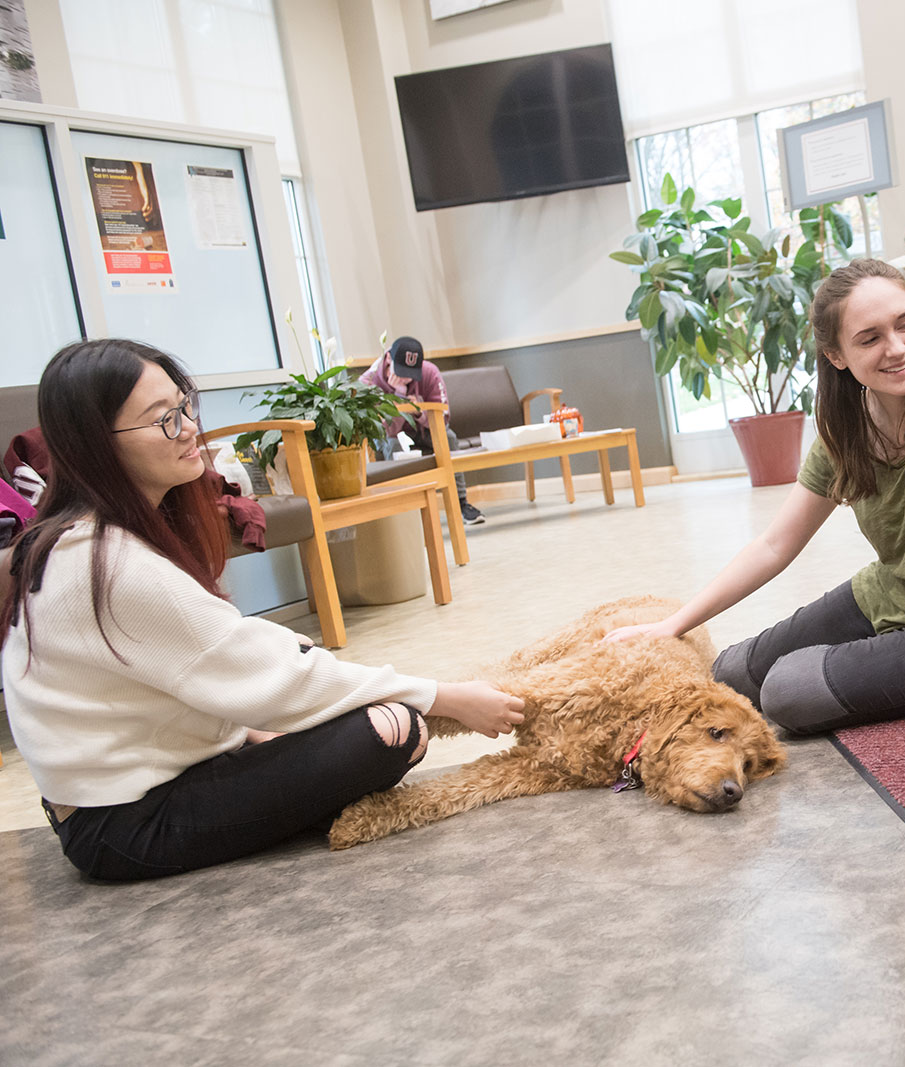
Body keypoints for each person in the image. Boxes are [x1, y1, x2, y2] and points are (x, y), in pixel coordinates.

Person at [1, 339, 526, 881]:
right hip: (123, 826)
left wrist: (254, 730)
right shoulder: (109, 563)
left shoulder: (80, 538)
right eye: (163, 421)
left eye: (185, 407)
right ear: (96, 445)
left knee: (325, 698)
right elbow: (279, 679)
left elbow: (208, 660)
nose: (188, 430)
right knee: (395, 727)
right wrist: (452, 698)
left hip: (128, 792)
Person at [604, 259, 905, 741]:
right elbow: (774, 544)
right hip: (891, 595)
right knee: (732, 672)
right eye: (869, 339)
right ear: (836, 356)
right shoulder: (849, 424)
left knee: (788, 692)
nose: (897, 348)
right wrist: (673, 624)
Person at [360, 336, 485, 525]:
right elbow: (386, 430)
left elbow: (443, 417)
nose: (404, 377)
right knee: (392, 444)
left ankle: (460, 503)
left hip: (426, 429)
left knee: (448, 438)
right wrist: (399, 396)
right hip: (395, 434)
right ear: (388, 360)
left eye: (410, 373)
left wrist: (417, 412)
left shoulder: (430, 372)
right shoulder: (370, 381)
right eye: (400, 371)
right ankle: (404, 512)